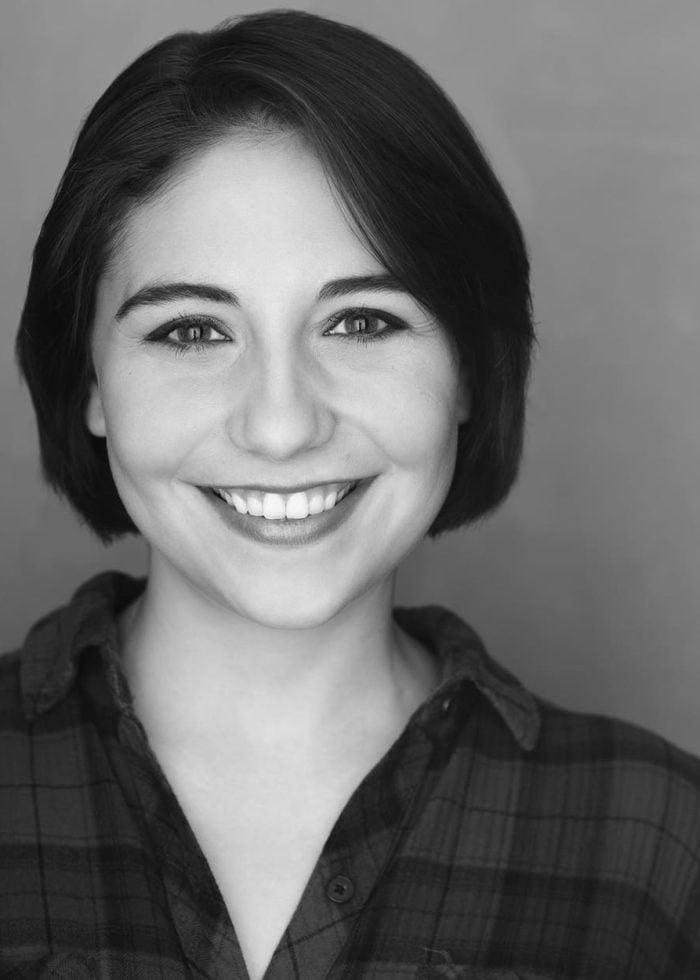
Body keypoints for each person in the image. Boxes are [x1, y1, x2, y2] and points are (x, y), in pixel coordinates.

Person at [1, 8, 699, 979]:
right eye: (193, 331)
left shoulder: (656, 841)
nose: (281, 424)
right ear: (89, 385)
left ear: (465, 371)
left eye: (363, 320)